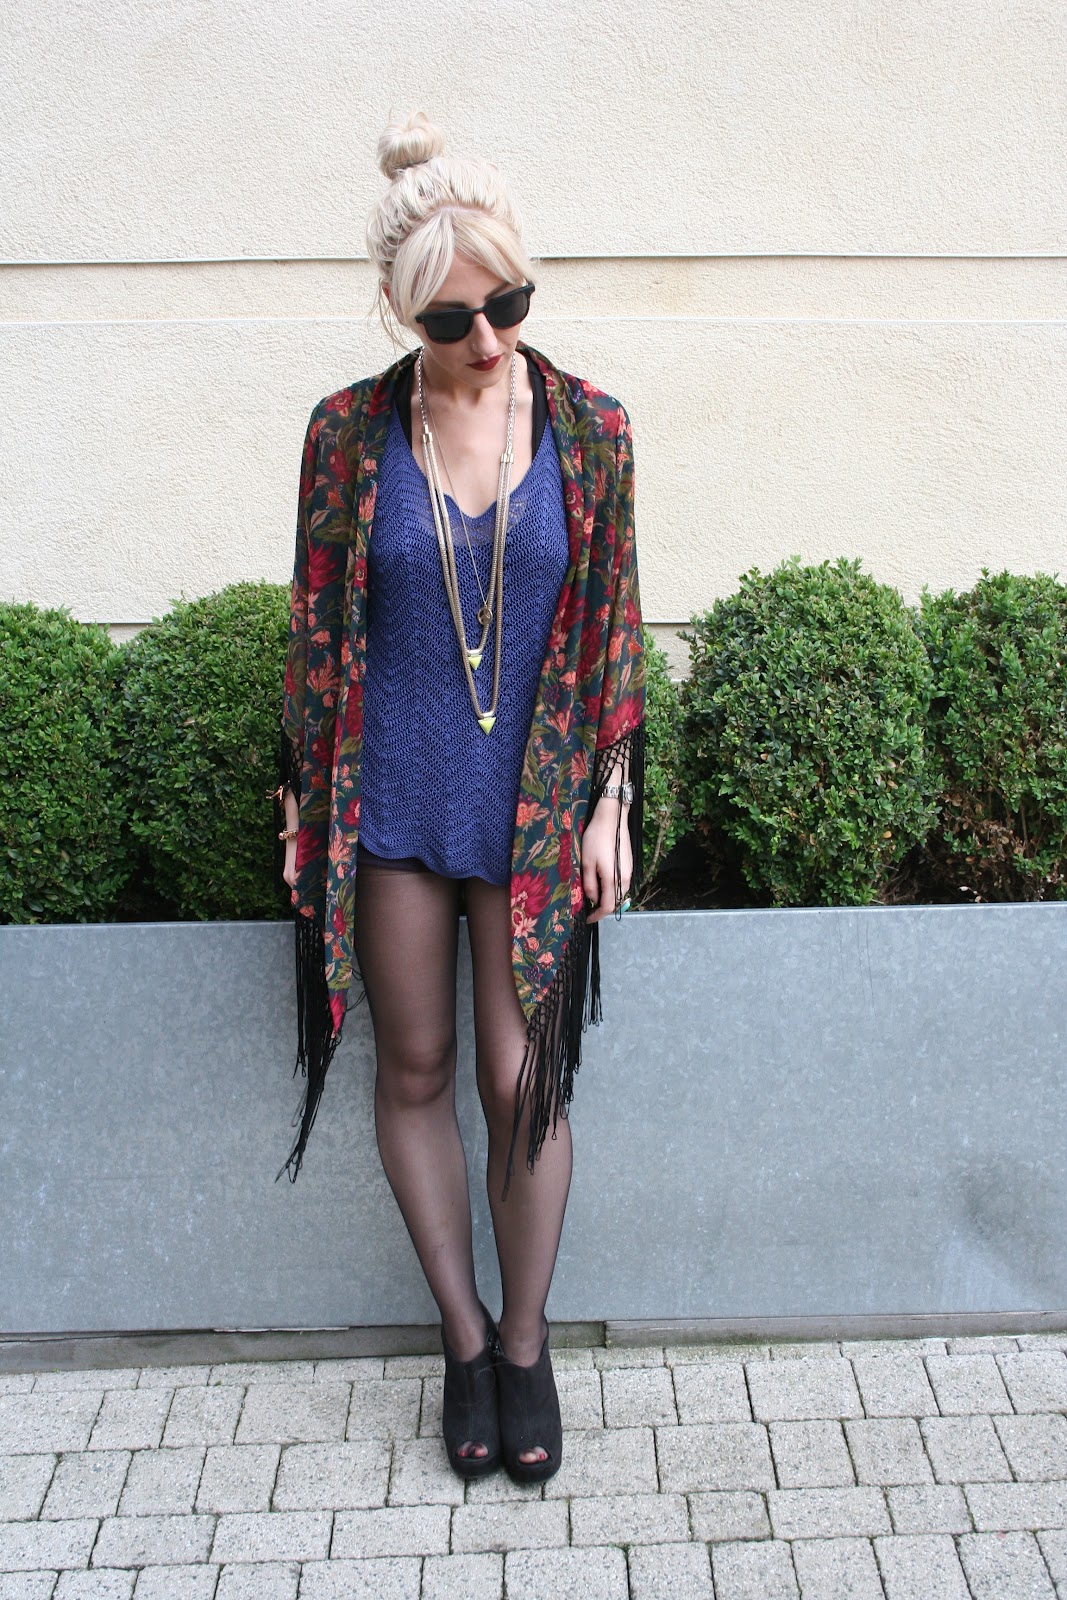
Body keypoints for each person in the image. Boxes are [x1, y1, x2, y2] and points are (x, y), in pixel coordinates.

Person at [273, 112, 645, 1484]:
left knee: (516, 1077)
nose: (487, 340)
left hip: (535, 805)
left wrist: (610, 801)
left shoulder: (591, 429)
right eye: (451, 320)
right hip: (395, 796)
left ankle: (529, 1346)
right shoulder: (345, 436)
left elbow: (614, 628)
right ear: (399, 311)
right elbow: (315, 628)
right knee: (418, 1068)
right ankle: (466, 1339)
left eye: (510, 304)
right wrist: (303, 813)